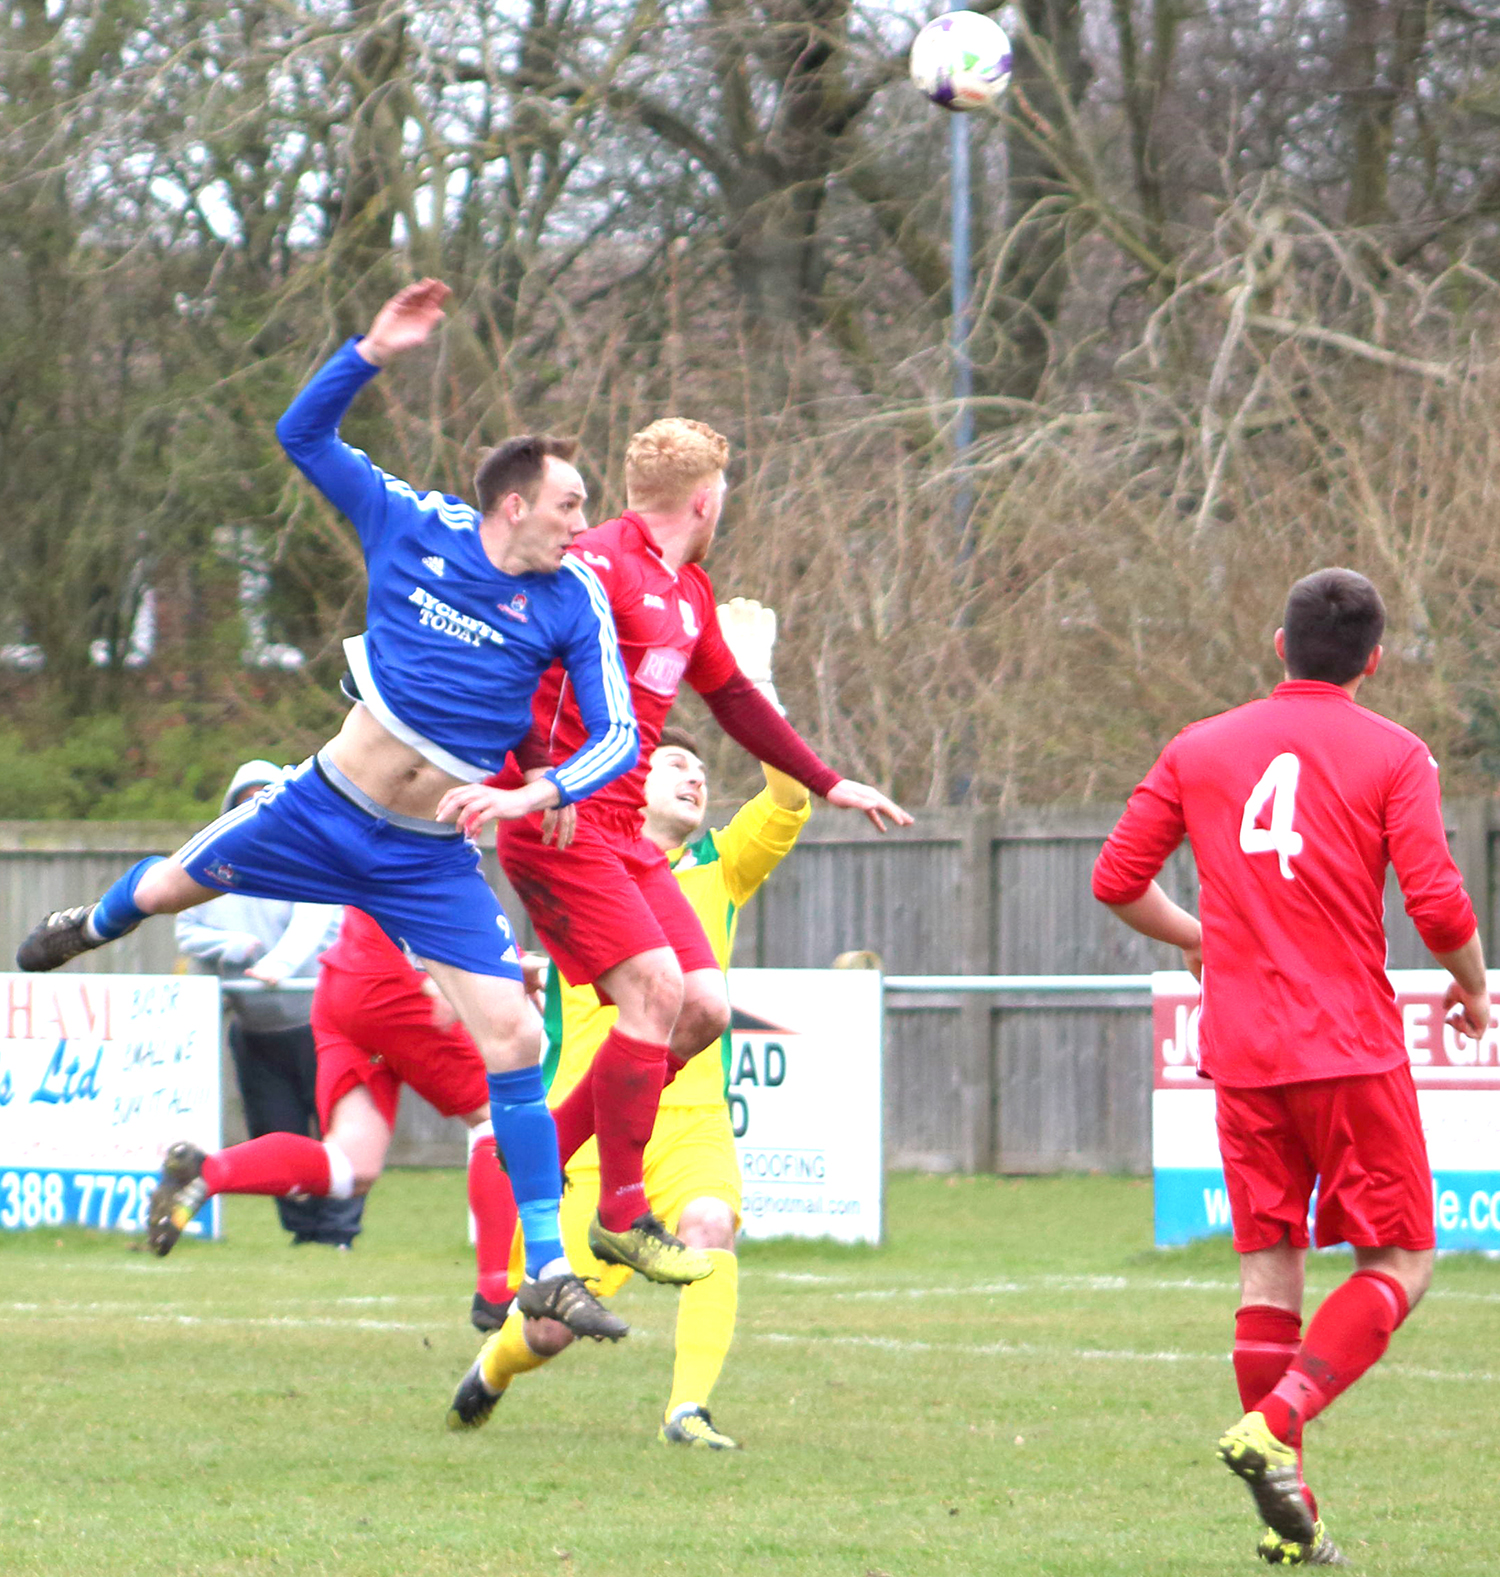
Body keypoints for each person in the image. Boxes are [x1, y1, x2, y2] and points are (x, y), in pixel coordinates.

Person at [14, 278, 641, 1341]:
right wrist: (372, 351)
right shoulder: (411, 523)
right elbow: (299, 433)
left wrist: (532, 791)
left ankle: (546, 1266)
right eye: (573, 503)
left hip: (425, 854)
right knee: (164, 886)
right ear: (515, 504)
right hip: (322, 807)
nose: (587, 522)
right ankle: (92, 923)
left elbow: (617, 735)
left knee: (515, 1036)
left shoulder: (571, 595)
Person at [1091, 567, 1489, 1567]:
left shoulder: (1200, 745)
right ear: (1375, 659)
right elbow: (1437, 904)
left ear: (1279, 644)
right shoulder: (1395, 752)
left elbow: (1116, 880)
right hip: (1347, 1045)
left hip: (1241, 1049)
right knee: (1401, 1260)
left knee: (1270, 1267)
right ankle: (1280, 1421)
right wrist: (1475, 989)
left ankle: (1290, 1517)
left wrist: (1202, 938)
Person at [467, 421, 911, 1289]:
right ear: (707, 500)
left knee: (705, 1006)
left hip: (621, 833)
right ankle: (622, 1211)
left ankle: (546, 1155)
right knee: (661, 991)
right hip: (559, 826)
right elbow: (505, 662)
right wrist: (528, 777)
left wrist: (829, 781)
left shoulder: (691, 591)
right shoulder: (593, 563)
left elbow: (736, 698)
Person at [447, 715, 811, 1447]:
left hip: (692, 1118)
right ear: (625, 781)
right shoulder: (575, 854)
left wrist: (757, 682)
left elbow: (792, 796)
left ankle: (687, 1411)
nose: (694, 776)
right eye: (674, 762)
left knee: (711, 1227)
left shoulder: (723, 865)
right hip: (594, 1130)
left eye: (700, 769)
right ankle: (492, 1370)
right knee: (548, 1331)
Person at [159, 904, 521, 1328]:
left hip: (341, 984)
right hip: (401, 985)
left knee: (351, 1165)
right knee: (503, 1121)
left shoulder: (358, 838)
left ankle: (211, 1170)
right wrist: (461, 976)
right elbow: (433, 894)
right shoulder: (427, 837)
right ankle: (498, 1292)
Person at [175, 760, 365, 1249]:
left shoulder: (311, 857)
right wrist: (232, 947)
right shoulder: (208, 865)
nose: (257, 810)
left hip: (321, 1023)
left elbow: (314, 921)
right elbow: (186, 932)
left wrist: (279, 964)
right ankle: (303, 1231)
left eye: (266, 797)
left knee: (336, 1132)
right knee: (273, 1129)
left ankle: (338, 1231)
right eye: (246, 801)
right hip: (254, 1028)